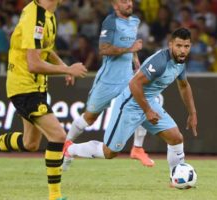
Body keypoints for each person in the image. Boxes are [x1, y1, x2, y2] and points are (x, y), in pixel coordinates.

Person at [64, 28, 198, 184]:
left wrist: (192, 113)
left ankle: (176, 180)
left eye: (186, 46)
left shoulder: (180, 62)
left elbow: (183, 85)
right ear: (170, 45)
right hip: (130, 104)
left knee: (176, 138)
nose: (182, 50)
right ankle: (69, 149)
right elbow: (134, 83)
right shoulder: (160, 62)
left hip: (149, 102)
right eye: (179, 46)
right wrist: (147, 110)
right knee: (109, 152)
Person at [0, 1, 87, 200]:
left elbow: (44, 49)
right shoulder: (35, 18)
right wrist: (67, 69)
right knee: (57, 135)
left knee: (30, 143)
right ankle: (55, 196)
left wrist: (62, 64)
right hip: (24, 86)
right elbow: (33, 63)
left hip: (35, 87)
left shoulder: (48, 14)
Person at [63, 0, 154, 170]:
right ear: (115, 6)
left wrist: (136, 63)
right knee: (89, 117)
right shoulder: (110, 22)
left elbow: (132, 48)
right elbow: (103, 49)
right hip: (108, 81)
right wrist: (129, 48)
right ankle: (66, 148)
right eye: (123, 1)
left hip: (127, 78)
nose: (128, 4)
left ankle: (138, 148)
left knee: (142, 103)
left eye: (129, 1)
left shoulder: (134, 21)